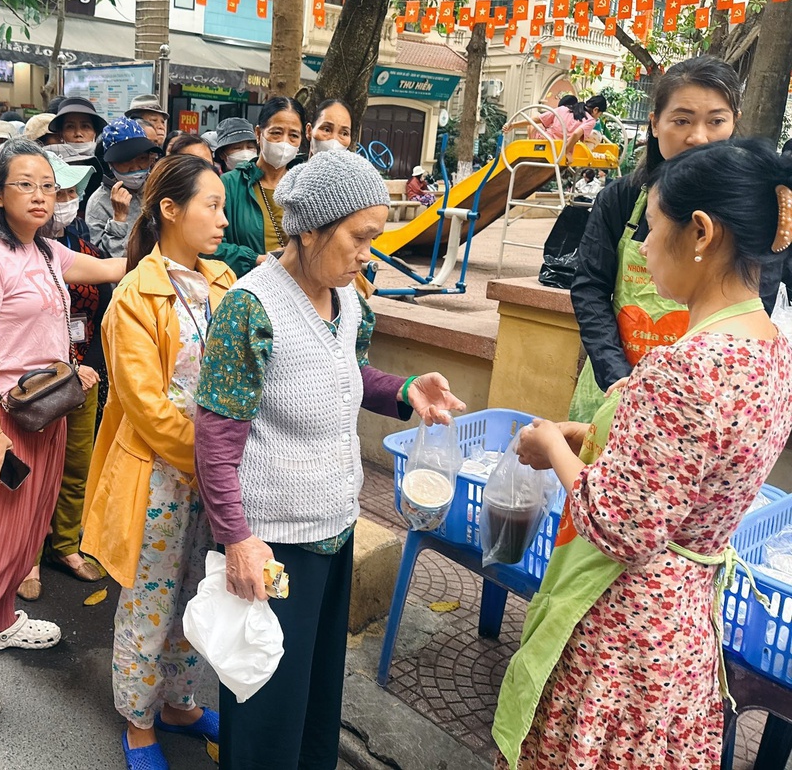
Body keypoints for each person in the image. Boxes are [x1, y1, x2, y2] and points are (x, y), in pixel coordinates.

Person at [494, 138, 792, 770]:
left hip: (625, 630)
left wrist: (550, 443)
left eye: (653, 230)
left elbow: (619, 527)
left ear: (701, 233)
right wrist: (595, 439)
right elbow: (686, 478)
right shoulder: (770, 349)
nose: (645, 248)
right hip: (684, 625)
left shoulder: (684, 368)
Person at [193, 150, 465, 769]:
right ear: (310, 228)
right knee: (267, 705)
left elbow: (343, 370)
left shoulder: (348, 303)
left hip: (333, 531)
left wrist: (403, 391)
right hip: (275, 543)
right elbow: (216, 436)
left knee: (317, 692)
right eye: (360, 236)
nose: (368, 251)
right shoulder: (251, 308)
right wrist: (236, 539)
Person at [0, 138, 124, 722]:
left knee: (30, 529)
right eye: (26, 184)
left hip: (46, 412)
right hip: (3, 422)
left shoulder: (47, 252)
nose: (42, 196)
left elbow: (111, 268)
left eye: (49, 185)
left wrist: (149, 230)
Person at [82, 154, 234, 767]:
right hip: (158, 476)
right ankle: (138, 721)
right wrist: (210, 459)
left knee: (196, 593)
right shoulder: (133, 297)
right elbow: (146, 406)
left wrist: (219, 463)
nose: (223, 220)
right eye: (212, 206)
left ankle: (180, 703)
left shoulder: (224, 282)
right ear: (170, 210)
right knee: (149, 600)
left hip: (212, 473)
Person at [568, 55, 791, 422]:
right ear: (655, 123)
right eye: (682, 120)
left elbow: (758, 296)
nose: (698, 137)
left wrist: (685, 383)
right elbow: (590, 286)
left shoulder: (749, 209)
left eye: (716, 121)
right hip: (614, 389)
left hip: (703, 399)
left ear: (734, 123)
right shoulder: (621, 199)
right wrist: (618, 375)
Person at [21, 149, 102, 599]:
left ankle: (65, 545)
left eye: (69, 191)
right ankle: (27, 557)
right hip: (34, 385)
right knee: (32, 475)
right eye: (55, 190)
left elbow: (105, 310)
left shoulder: (81, 250)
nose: (60, 200)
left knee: (75, 467)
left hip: (83, 375)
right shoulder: (13, 254)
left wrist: (87, 366)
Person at [217, 96, 307, 277]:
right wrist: (254, 259)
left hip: (298, 291)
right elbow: (208, 245)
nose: (284, 142)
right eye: (276, 132)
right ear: (258, 134)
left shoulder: (306, 186)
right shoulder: (228, 185)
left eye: (293, 135)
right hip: (248, 290)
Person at [85, 118, 162, 258]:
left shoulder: (157, 189)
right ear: (110, 164)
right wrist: (118, 220)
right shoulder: (99, 203)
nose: (135, 168)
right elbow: (100, 259)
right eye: (126, 161)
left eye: (142, 159)